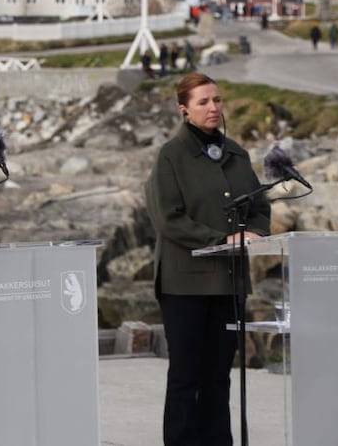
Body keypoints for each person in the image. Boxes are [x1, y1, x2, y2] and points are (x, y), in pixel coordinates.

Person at [145, 73, 271, 446]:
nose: (213, 107)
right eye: (203, 102)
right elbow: (168, 218)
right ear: (185, 110)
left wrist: (256, 233)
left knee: (219, 375)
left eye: (217, 100)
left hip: (229, 281)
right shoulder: (171, 156)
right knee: (186, 376)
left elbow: (260, 207)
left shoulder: (236, 153)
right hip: (184, 283)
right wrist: (222, 240)